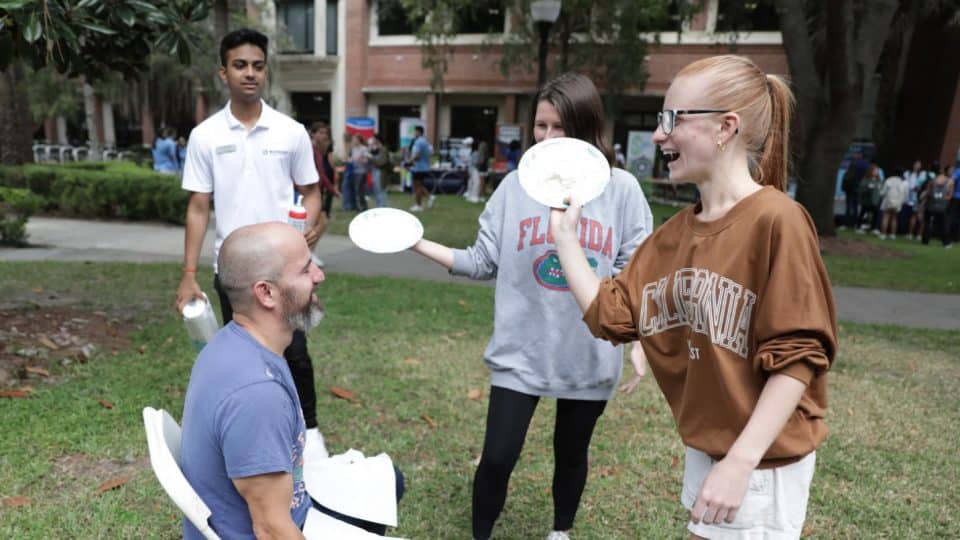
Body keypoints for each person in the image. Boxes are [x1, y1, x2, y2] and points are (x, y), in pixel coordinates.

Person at [551, 55, 837, 540]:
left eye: (672, 119)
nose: (659, 136)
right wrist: (565, 238)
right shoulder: (675, 235)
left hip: (762, 459)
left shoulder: (777, 221)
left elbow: (798, 358)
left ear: (726, 127)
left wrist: (741, 462)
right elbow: (612, 317)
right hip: (710, 451)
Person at [407, 73, 652, 540]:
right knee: (497, 456)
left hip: (589, 352)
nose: (547, 138)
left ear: (587, 128)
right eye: (540, 126)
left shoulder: (621, 191)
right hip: (522, 350)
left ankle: (560, 531)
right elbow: (482, 262)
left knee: (572, 451)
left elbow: (632, 279)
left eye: (560, 127)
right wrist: (416, 241)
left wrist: (638, 340)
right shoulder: (515, 187)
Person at [180, 223, 404, 539]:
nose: (319, 276)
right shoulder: (257, 394)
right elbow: (271, 529)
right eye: (304, 269)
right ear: (266, 293)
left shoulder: (234, 343)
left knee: (389, 479)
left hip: (291, 501)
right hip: (281, 526)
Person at [176, 28, 325, 444]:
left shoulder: (290, 131)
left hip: (284, 267)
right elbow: (198, 206)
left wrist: (304, 234)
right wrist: (189, 273)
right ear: (223, 72)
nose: (250, 74)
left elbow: (311, 193)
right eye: (240, 65)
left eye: (258, 66)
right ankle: (257, 433)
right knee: (244, 353)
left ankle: (310, 438)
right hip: (234, 269)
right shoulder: (206, 136)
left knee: (294, 352)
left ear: (266, 72)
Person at [308, 121, 342, 268]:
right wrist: (333, 190)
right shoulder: (310, 150)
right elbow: (320, 174)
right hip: (310, 192)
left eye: (325, 133)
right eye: (320, 132)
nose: (323, 136)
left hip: (317, 191)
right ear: (313, 134)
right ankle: (306, 252)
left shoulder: (319, 151)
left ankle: (309, 252)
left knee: (319, 223)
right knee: (321, 223)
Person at [921, 164, 954, 248]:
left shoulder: (932, 181)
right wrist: (943, 199)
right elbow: (950, 195)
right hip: (943, 206)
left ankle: (925, 241)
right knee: (943, 224)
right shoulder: (950, 181)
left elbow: (928, 192)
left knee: (928, 223)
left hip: (931, 204)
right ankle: (946, 243)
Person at [406, 125, 434, 212]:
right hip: (423, 167)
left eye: (415, 131)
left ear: (419, 132)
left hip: (418, 168)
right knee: (420, 186)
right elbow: (429, 153)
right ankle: (430, 197)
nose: (414, 133)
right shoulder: (425, 141)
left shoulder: (418, 142)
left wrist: (409, 162)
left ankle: (419, 205)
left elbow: (417, 155)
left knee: (417, 187)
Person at [841, 151, 868, 229]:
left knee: (848, 206)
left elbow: (848, 175)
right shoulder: (866, 165)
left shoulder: (854, 164)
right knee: (856, 206)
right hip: (859, 188)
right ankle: (855, 223)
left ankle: (847, 223)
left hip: (850, 187)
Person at [879, 173, 908, 239]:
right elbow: (905, 194)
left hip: (888, 202)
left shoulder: (889, 180)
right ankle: (892, 235)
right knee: (894, 218)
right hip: (897, 203)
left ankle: (883, 234)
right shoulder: (903, 182)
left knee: (886, 217)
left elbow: (883, 191)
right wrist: (901, 201)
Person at [902, 160, 926, 239]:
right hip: (906, 198)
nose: (917, 166)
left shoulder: (922, 175)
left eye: (919, 165)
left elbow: (920, 186)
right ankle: (908, 233)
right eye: (916, 164)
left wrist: (918, 189)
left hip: (917, 199)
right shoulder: (907, 173)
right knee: (908, 216)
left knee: (917, 216)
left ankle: (917, 234)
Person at [856, 163, 883, 234]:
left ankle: (874, 228)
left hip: (875, 201)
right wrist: (868, 188)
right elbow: (861, 189)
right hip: (866, 201)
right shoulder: (865, 180)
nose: (876, 172)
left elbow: (880, 190)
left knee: (875, 214)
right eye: (874, 171)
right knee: (863, 213)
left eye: (877, 171)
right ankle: (859, 227)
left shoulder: (878, 180)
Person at [368, 134, 391, 208]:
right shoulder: (376, 150)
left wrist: (371, 158)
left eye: (374, 140)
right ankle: (379, 206)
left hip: (381, 172)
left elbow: (382, 162)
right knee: (376, 190)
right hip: (375, 171)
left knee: (381, 190)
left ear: (378, 140)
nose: (373, 142)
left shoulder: (383, 149)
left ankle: (383, 206)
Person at [350, 134, 371, 212]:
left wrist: (361, 159)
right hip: (355, 171)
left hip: (362, 172)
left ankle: (363, 206)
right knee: (357, 190)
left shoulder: (364, 149)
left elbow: (367, 159)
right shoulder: (354, 149)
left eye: (355, 139)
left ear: (359, 140)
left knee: (360, 190)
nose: (353, 141)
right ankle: (359, 206)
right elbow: (353, 159)